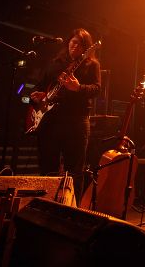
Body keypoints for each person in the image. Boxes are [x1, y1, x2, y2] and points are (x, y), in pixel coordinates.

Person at [30, 28, 101, 205]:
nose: (75, 46)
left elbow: (97, 89)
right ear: (68, 43)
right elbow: (39, 86)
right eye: (73, 42)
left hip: (76, 121)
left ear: (86, 48)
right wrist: (37, 96)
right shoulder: (56, 63)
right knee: (47, 167)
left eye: (80, 44)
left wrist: (78, 88)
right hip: (51, 121)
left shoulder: (91, 65)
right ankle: (44, 206)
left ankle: (73, 211)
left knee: (75, 170)